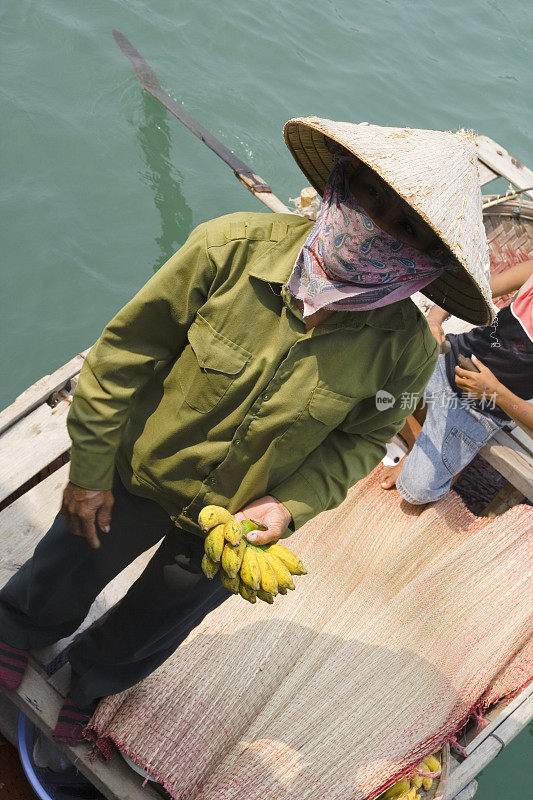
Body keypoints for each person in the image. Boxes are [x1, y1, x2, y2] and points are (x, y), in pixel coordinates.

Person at [0, 117, 495, 745]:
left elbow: (362, 442)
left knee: (163, 614)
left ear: (428, 263)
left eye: (410, 232)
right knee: (70, 559)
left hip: (236, 517)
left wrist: (288, 508)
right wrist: (91, 470)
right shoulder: (228, 247)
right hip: (140, 468)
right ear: (347, 181)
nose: (382, 231)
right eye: (378, 201)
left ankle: (94, 676)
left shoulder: (406, 352)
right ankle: (18, 625)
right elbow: (122, 358)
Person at [380, 258, 533, 502]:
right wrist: (434, 319)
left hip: (481, 410)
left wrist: (495, 391)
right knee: (371, 383)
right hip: (450, 358)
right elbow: (470, 294)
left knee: (414, 490)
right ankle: (418, 439)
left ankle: (442, 458)